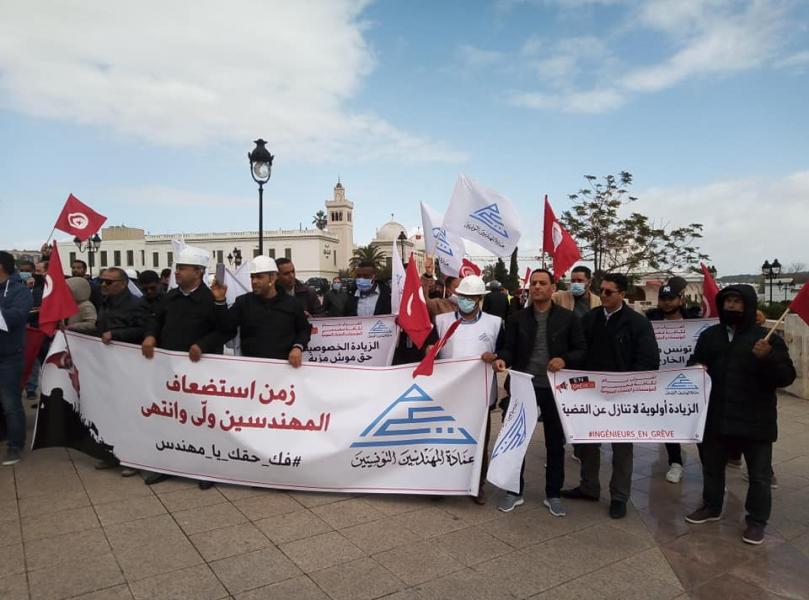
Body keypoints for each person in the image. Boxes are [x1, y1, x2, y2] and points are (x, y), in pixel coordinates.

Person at [684, 285, 795, 545]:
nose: (732, 306)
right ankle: (711, 507)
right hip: (716, 416)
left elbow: (786, 377)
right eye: (728, 301)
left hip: (755, 420)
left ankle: (756, 521)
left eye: (738, 302)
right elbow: (695, 362)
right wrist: (696, 367)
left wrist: (768, 358)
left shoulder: (767, 339)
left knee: (759, 475)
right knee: (712, 468)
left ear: (749, 305)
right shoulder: (710, 335)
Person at [561, 273, 659, 519]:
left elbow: (649, 361)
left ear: (622, 295)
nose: (602, 295)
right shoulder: (590, 319)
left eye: (608, 292)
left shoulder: (638, 323)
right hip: (591, 394)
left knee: (622, 448)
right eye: (601, 290)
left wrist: (625, 384)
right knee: (587, 444)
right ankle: (589, 486)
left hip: (622, 397)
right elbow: (578, 350)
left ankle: (619, 496)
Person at [494, 269, 586, 516]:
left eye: (542, 283)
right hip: (524, 385)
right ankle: (514, 490)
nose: (536, 287)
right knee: (516, 440)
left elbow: (581, 350)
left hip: (555, 389)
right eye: (533, 283)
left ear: (552, 287)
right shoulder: (518, 318)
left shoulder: (568, 318)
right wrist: (502, 360)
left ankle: (553, 493)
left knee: (555, 442)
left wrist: (564, 359)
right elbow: (508, 348)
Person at [142, 248, 228, 488]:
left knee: (203, 420)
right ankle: (169, 465)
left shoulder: (212, 298)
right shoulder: (169, 298)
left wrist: (203, 345)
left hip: (202, 371)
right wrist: (150, 336)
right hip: (170, 371)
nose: (177, 272)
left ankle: (206, 469)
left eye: (182, 267)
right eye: (177, 267)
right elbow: (155, 320)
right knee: (171, 418)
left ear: (198, 272)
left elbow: (224, 330)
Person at [431, 275, 502, 504]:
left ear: (480, 298)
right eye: (463, 296)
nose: (466, 301)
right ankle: (441, 484)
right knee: (443, 439)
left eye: (471, 297)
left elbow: (503, 353)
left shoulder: (495, 323)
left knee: (479, 440)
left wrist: (496, 358)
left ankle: (477, 485)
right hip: (448, 393)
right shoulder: (441, 321)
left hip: (480, 394)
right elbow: (431, 350)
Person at [645, 276, 700, 483]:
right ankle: (675, 462)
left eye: (671, 298)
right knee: (668, 422)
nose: (666, 302)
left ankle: (711, 469)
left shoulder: (695, 321)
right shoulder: (650, 321)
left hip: (690, 381)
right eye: (663, 298)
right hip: (662, 382)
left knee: (696, 423)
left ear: (681, 299)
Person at [94, 267, 146, 475]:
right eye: (101, 281)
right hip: (107, 366)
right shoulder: (104, 302)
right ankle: (111, 454)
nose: (103, 285)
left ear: (123, 284)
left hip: (129, 366)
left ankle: (133, 459)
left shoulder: (136, 304)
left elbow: (144, 330)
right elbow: (99, 327)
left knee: (129, 414)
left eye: (108, 282)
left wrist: (115, 334)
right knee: (110, 411)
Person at [212, 256, 311, 364]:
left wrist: (297, 347)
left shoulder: (292, 304)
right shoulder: (243, 302)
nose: (254, 281)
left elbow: (304, 330)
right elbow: (225, 326)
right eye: (252, 277)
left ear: (272, 278)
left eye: (259, 277)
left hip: (284, 370)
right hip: (252, 369)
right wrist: (220, 301)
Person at [0, 251, 33, 466]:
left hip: (9, 356)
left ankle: (15, 445)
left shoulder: (20, 291)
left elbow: (17, 316)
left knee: (11, 403)